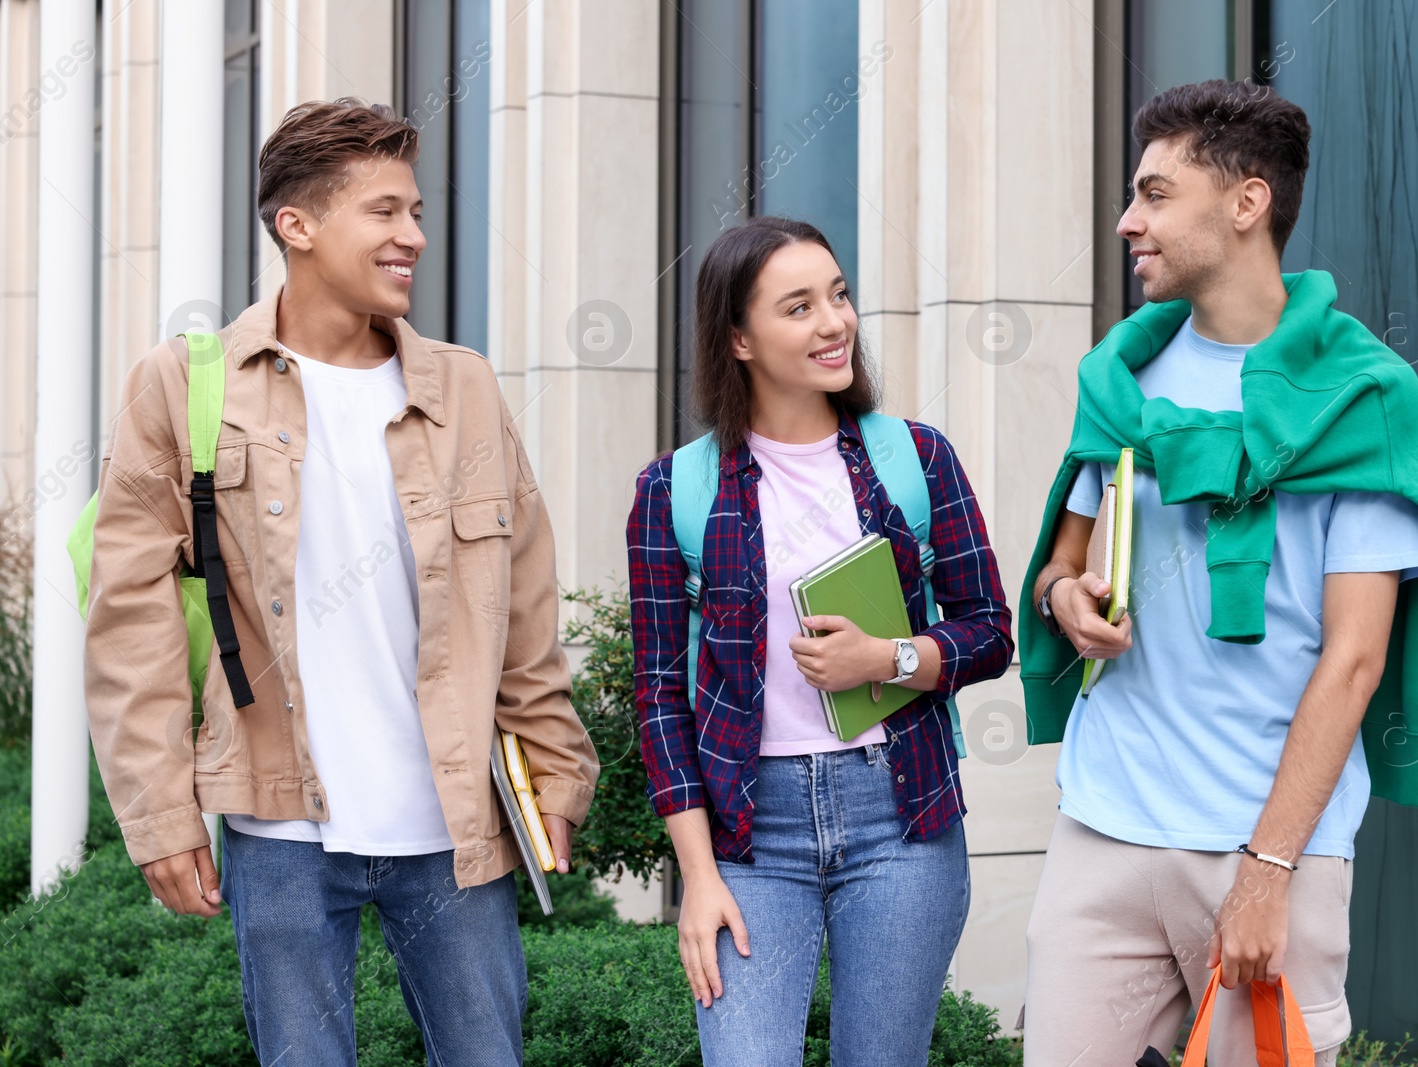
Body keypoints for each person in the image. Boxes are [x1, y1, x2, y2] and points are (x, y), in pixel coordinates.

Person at [83, 98, 598, 1065]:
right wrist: (159, 816)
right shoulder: (186, 386)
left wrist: (556, 765)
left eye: (415, 212)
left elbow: (523, 602)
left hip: (454, 824)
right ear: (300, 225)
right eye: (388, 212)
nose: (416, 236)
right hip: (281, 825)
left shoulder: (464, 388)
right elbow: (130, 618)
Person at [1019, 80, 1418, 1064]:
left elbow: (1353, 656)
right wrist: (1066, 597)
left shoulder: (1359, 399)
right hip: (1106, 823)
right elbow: (1063, 558)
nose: (1129, 222)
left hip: (1265, 843)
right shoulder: (1119, 380)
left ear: (1245, 202)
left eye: (1155, 193)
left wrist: (1267, 868)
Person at [626, 216, 1014, 1065]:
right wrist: (697, 876)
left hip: (901, 816)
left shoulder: (916, 456)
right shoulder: (673, 489)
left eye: (838, 296)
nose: (835, 323)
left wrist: (889, 658)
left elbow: (990, 631)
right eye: (798, 307)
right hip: (748, 834)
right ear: (738, 337)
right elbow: (658, 698)